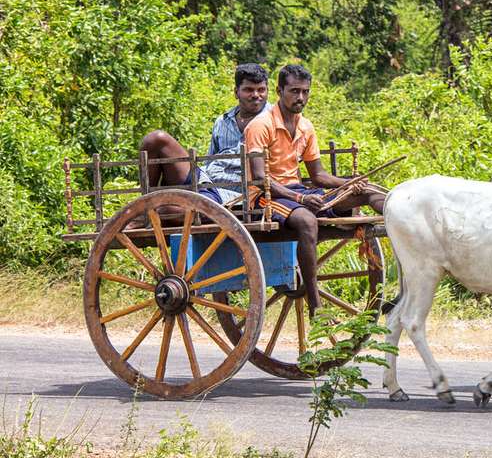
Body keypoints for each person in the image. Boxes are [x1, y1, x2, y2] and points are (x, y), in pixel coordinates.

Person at [245, 64, 385, 312]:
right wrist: (299, 196)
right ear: (279, 90)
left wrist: (351, 184)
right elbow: (259, 178)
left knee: (369, 192)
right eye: (294, 91)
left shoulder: (305, 127)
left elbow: (318, 176)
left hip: (299, 192)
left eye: (305, 92)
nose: (300, 98)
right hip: (266, 197)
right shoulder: (260, 125)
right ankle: (315, 304)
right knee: (307, 221)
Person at [138, 63, 272, 204]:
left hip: (236, 195)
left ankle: (147, 211)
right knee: (156, 139)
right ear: (236, 92)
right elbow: (210, 160)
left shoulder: (275, 120)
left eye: (261, 90)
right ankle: (144, 202)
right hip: (205, 182)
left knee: (167, 211)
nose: (256, 95)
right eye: (249, 90)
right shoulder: (223, 121)